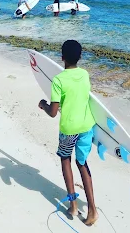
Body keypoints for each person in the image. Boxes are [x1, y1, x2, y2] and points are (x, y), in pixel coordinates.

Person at [38, 40, 98, 226]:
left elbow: (53, 112)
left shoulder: (58, 80)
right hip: (87, 127)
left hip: (69, 130)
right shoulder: (85, 74)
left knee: (65, 159)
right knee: (82, 163)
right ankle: (92, 210)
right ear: (80, 57)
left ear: (62, 57)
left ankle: (73, 205)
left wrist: (43, 105)